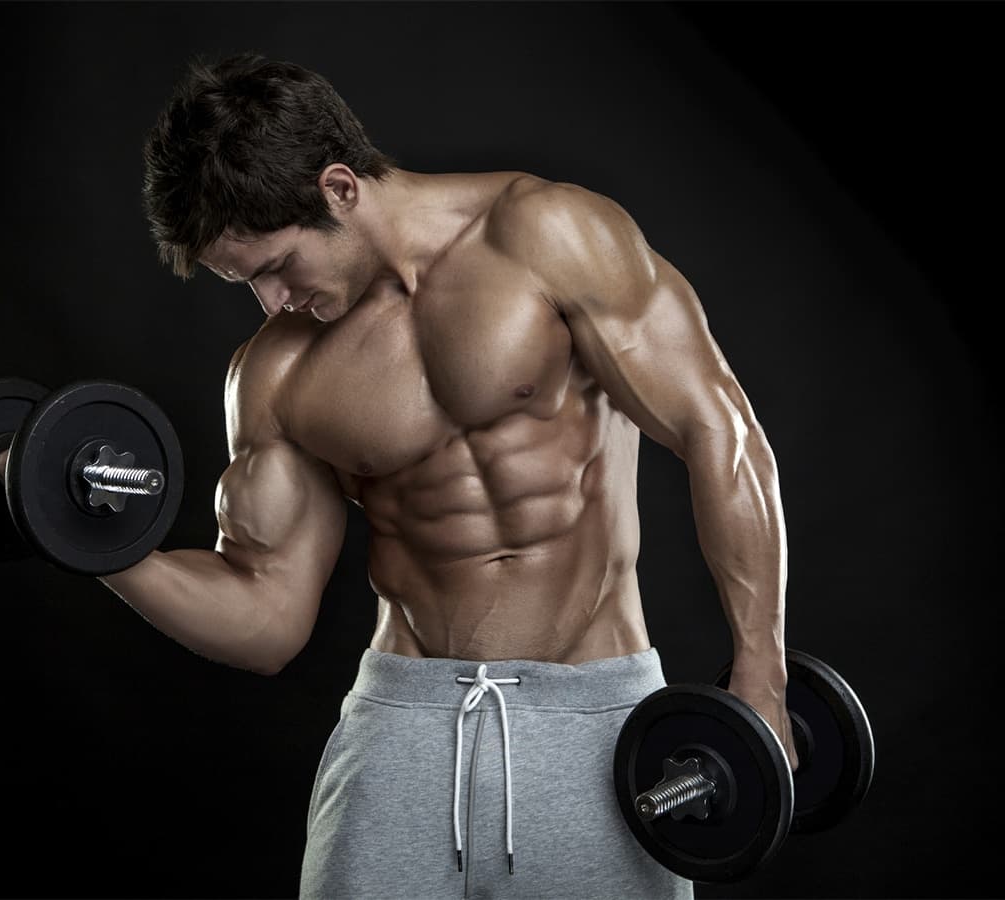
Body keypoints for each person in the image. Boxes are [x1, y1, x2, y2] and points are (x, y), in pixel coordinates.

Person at [105, 51, 799, 899]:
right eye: (246, 283)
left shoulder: (548, 237)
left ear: (339, 189)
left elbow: (718, 430)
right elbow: (268, 617)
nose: (272, 303)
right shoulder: (276, 373)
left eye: (277, 266)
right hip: (402, 728)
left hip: (597, 723)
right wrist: (99, 548)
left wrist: (759, 673)